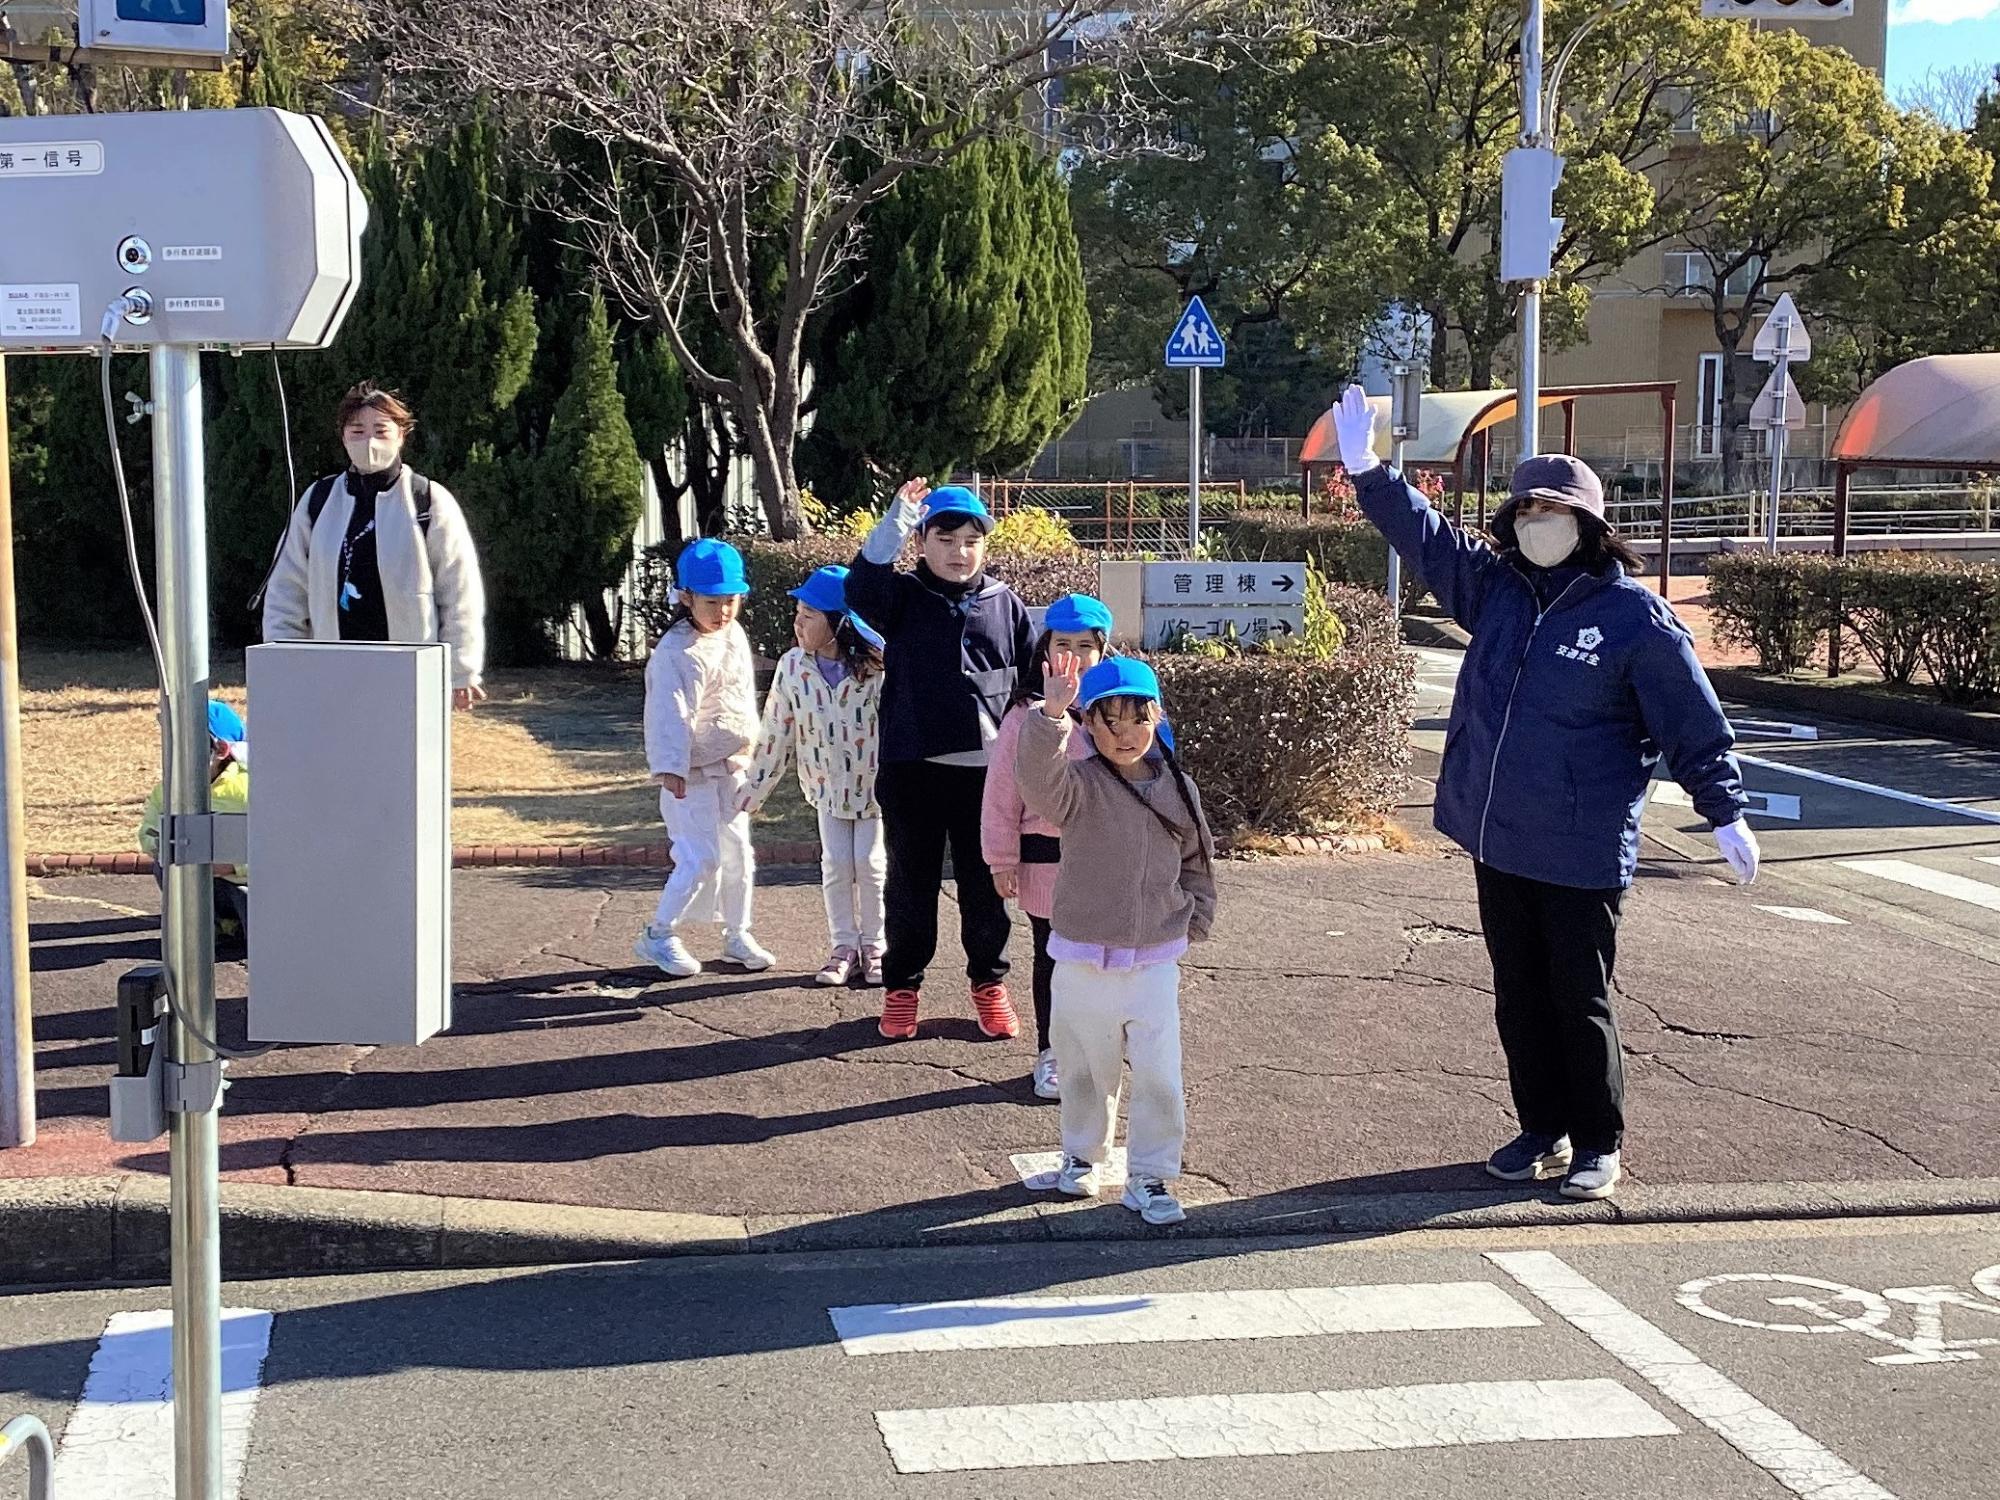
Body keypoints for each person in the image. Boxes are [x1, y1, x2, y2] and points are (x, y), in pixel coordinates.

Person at [1332, 384, 1757, 1202]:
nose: (1539, 522)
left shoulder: (1635, 618)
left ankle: (1599, 1139)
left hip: (1581, 844)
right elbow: (1429, 542)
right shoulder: (1496, 590)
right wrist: (1371, 474)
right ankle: (1542, 1126)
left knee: (1579, 997)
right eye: (1526, 509)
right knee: (1518, 994)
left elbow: (1690, 723)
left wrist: (1725, 809)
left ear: (1590, 525)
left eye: (1555, 510)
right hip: (1498, 838)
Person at [1015, 655, 1216, 1226]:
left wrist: (1196, 914)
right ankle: (1082, 1155)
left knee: (1159, 1072)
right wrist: (1050, 716)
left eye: (1136, 718)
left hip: (1154, 960)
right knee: (1084, 1067)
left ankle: (1151, 1174)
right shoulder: (1077, 785)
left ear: (1157, 717)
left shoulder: (1178, 787)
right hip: (1080, 955)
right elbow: (1036, 780)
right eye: (1108, 720)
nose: (1123, 734)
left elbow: (1196, 859)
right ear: (1088, 725)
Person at [846, 481, 1037, 1042]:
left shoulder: (1005, 603)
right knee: (911, 884)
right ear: (923, 542)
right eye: (945, 537)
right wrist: (895, 521)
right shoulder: (902, 597)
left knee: (986, 887)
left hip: (988, 778)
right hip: (914, 770)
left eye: (972, 539)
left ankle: (989, 984)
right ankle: (902, 988)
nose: (959, 550)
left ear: (986, 546)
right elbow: (861, 588)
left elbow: (1028, 681)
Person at [262, 381, 489, 711]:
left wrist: (461, 670)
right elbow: (287, 589)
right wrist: (284, 661)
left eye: (381, 431)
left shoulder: (428, 500)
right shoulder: (318, 501)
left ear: (401, 435)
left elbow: (459, 591)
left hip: (410, 675)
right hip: (333, 672)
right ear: (342, 436)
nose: (369, 441)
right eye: (357, 431)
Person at [981, 593, 1112, 1098]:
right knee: (1053, 957)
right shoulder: (1023, 715)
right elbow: (1001, 794)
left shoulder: (1118, 710)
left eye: (1086, 645)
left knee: (1106, 960)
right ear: (1044, 649)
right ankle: (1052, 1052)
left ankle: (1098, 1048)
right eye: (1063, 644)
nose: (1074, 656)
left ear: (1104, 651)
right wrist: (1000, 858)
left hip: (1106, 860)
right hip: (1045, 860)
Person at [740, 565, 887, 988]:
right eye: (797, 612)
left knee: (870, 864)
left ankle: (875, 946)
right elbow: (775, 733)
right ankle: (843, 947)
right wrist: (754, 790)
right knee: (837, 864)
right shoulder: (793, 668)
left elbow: (899, 727)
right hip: (826, 789)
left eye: (808, 614)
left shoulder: (878, 667)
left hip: (874, 790)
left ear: (839, 622)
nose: (797, 622)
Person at [636, 539, 772, 979]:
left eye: (731, 600)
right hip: (689, 774)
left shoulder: (734, 635)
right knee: (699, 857)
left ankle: (737, 933)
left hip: (731, 764)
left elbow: (739, 696)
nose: (724, 611)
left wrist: (750, 744)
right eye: (713, 601)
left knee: (739, 854)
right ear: (686, 597)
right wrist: (671, 767)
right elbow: (668, 714)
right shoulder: (675, 653)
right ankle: (659, 933)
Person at [139, 698, 251, 960]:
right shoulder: (168, 788)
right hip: (196, 880)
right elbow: (149, 831)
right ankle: (203, 931)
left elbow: (279, 849)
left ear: (221, 749)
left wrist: (233, 867)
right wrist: (160, 847)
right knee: (165, 868)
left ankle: (241, 931)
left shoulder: (249, 790)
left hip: (242, 884)